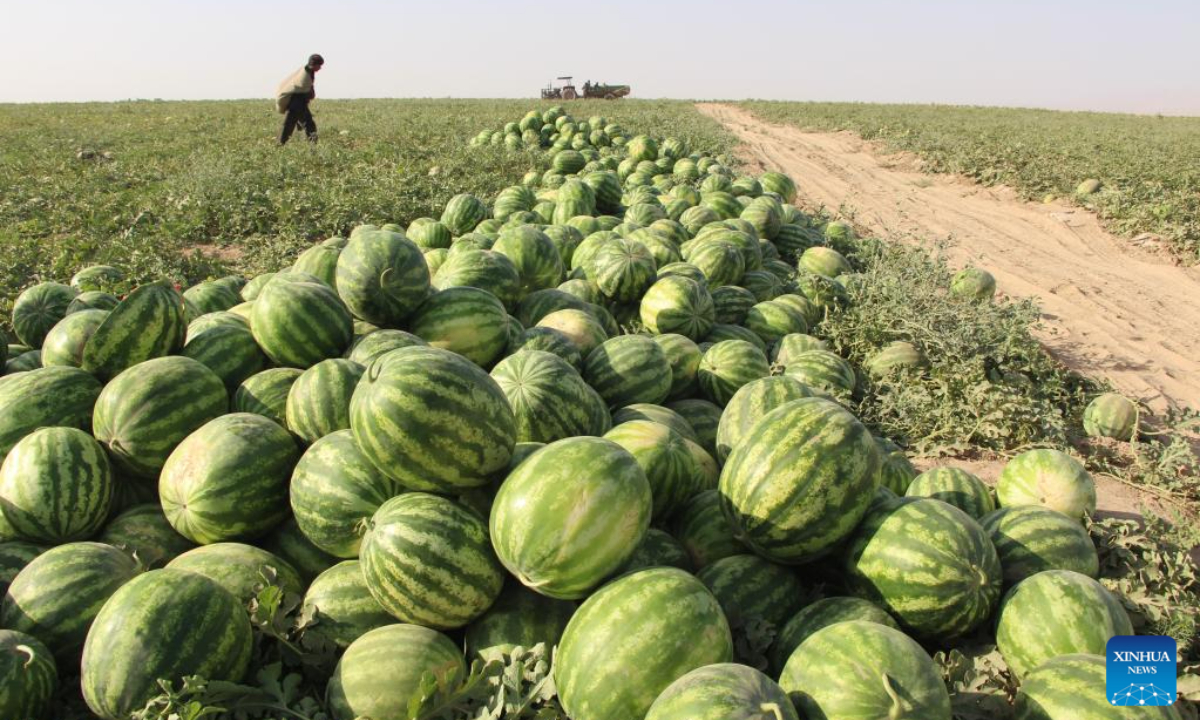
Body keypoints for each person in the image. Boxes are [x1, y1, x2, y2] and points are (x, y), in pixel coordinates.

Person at [276, 54, 324, 145]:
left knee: (289, 125)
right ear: (314, 64)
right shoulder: (307, 72)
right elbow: (303, 88)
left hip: (296, 103)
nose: (320, 68)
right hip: (297, 103)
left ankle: (280, 144)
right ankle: (313, 146)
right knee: (308, 125)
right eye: (319, 65)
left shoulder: (307, 71)